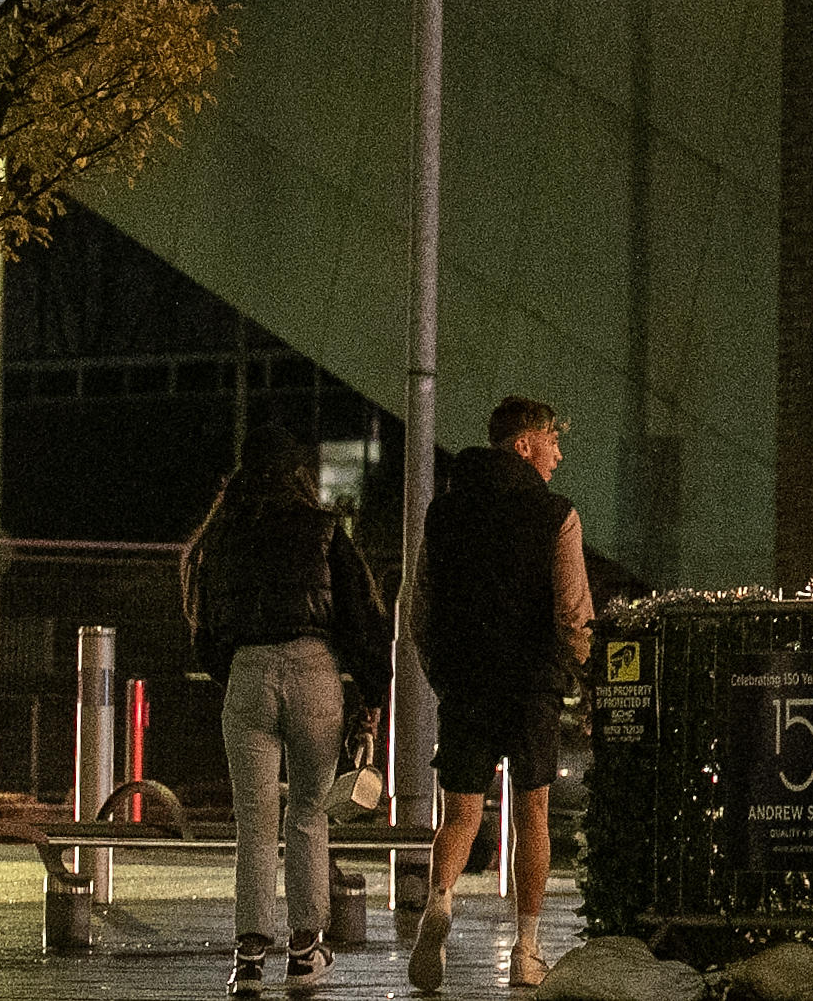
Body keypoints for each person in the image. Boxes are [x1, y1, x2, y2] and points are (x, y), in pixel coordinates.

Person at [185, 447, 393, 994]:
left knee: (253, 824)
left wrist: (232, 672)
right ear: (300, 478)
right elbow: (362, 614)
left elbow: (204, 628)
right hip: (314, 670)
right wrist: (372, 694)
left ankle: (249, 959)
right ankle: (304, 952)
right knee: (309, 812)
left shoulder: (222, 537)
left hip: (248, 670)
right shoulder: (325, 531)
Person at [408, 396, 593, 992]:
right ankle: (527, 949)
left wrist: (442, 673)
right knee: (532, 815)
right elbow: (573, 613)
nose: (558, 455)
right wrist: (582, 673)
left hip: (465, 684)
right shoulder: (557, 515)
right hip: (533, 686)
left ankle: (439, 900)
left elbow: (421, 608)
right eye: (552, 441)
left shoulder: (443, 515)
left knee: (462, 814)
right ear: (523, 445)